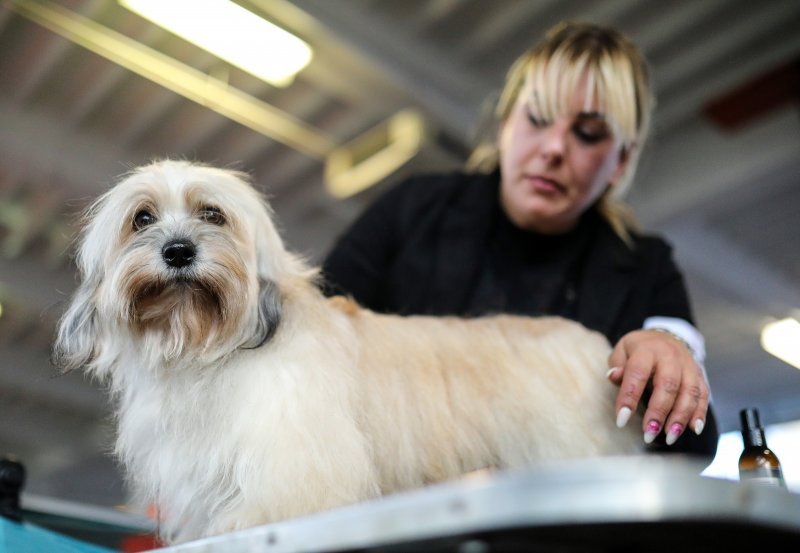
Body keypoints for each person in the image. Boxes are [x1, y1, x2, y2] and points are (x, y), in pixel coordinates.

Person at [322, 22, 718, 459]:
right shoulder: (412, 210)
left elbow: (693, 446)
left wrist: (670, 358)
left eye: (587, 133)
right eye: (537, 118)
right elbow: (315, 336)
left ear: (621, 161)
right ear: (504, 123)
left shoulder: (647, 269)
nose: (553, 148)